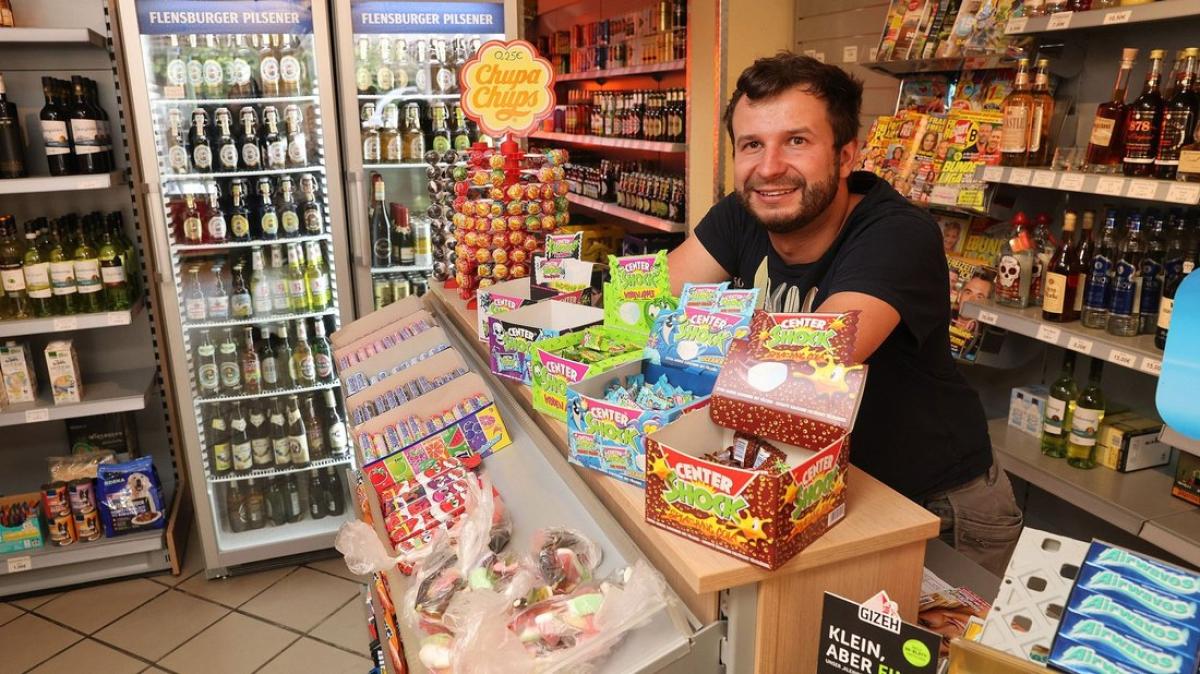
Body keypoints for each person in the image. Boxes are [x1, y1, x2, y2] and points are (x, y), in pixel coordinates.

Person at [667, 52, 1021, 574]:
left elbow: (806, 370)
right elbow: (644, 303)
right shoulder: (740, 215)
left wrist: (684, 347)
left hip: (932, 507)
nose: (769, 168)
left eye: (797, 141)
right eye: (752, 145)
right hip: (816, 486)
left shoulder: (896, 234)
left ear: (846, 154)